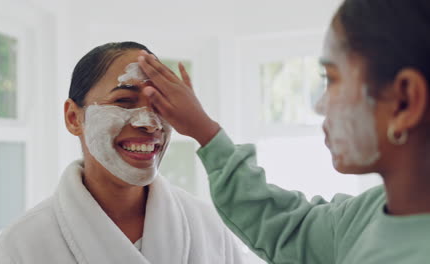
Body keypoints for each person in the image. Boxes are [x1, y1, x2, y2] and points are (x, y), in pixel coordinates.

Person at [137, 0, 430, 263]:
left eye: (333, 79)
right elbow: (287, 227)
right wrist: (205, 132)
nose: (320, 105)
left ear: (404, 102)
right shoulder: (368, 216)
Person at [0, 42, 244, 264]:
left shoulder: (207, 227)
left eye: (159, 105)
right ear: (73, 118)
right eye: (123, 101)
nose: (150, 122)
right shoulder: (22, 245)